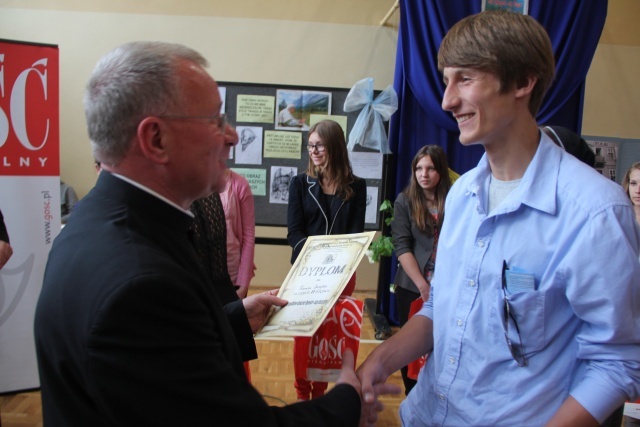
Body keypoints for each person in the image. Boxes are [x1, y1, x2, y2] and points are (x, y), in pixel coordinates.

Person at [34, 41, 394, 427]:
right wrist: (347, 403)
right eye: (214, 120)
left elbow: (165, 358)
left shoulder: (100, 222)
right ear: (156, 139)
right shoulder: (140, 285)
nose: (233, 136)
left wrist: (234, 319)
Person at [357, 10, 640, 426]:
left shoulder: (595, 213)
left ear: (523, 82)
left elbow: (616, 362)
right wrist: (381, 359)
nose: (447, 101)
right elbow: (442, 308)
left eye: (465, 79)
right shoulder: (463, 195)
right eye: (446, 80)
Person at [287, 119, 367, 401]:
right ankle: (302, 395)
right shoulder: (300, 183)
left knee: (329, 337)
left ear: (334, 145)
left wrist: (337, 263)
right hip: (306, 274)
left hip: (341, 275)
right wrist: (314, 260)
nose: (314, 151)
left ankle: (320, 393)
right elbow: (294, 232)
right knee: (304, 337)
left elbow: (356, 235)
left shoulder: (357, 186)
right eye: (310, 146)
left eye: (319, 145)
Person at [391, 145, 452, 395]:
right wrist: (422, 285)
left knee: (443, 346)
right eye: (418, 168)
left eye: (430, 168)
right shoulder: (405, 200)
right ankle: (412, 397)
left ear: (440, 171)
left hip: (448, 286)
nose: (423, 174)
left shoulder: (455, 198)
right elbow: (402, 245)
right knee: (411, 349)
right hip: (412, 286)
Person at [219, 169, 256, 299]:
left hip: (233, 274)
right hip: (202, 274)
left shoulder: (239, 184)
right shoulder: (195, 181)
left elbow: (249, 236)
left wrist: (243, 283)